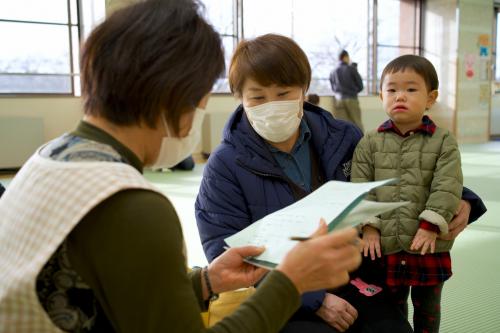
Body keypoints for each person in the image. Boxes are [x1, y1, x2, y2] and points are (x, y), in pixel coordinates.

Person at [0, 2, 363, 332]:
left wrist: (204, 282)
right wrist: (291, 281)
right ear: (174, 96)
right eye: (202, 97)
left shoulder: (49, 157)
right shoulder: (132, 205)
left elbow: (109, 293)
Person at [195, 35, 487, 333]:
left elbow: (401, 169)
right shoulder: (224, 166)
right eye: (257, 97)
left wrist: (465, 200)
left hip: (353, 276)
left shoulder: (341, 136)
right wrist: (314, 299)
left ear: (304, 90)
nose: (272, 105)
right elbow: (224, 252)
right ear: (239, 96)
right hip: (279, 293)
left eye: (284, 93)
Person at [351, 54, 472, 333]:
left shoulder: (444, 141)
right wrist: (369, 227)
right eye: (391, 89)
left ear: (431, 98)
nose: (399, 96)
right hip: (385, 244)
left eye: (411, 89)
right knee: (393, 309)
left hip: (427, 244)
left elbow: (448, 184)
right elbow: (361, 185)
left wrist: (431, 225)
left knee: (428, 309)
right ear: (381, 95)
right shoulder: (369, 141)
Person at [329, 50, 364, 132]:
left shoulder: (333, 71)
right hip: (351, 99)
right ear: (345, 57)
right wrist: (354, 91)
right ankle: (361, 144)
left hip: (338, 100)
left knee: (341, 126)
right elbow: (360, 86)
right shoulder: (351, 69)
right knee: (357, 123)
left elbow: (333, 88)